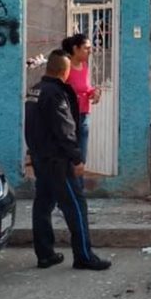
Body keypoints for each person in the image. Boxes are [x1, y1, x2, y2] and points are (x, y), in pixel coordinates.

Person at [24, 49, 111, 271]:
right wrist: (76, 157)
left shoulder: (35, 90)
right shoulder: (55, 93)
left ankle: (45, 254)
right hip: (57, 162)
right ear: (65, 70)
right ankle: (84, 256)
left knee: (43, 204)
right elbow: (65, 129)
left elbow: (31, 127)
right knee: (76, 205)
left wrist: (31, 154)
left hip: (41, 158)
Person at [61, 33, 100, 167]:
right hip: (68, 117)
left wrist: (95, 92)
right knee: (69, 156)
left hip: (83, 115)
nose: (90, 51)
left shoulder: (84, 66)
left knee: (81, 157)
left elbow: (86, 88)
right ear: (76, 49)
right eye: (86, 48)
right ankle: (71, 186)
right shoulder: (65, 65)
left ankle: (79, 186)